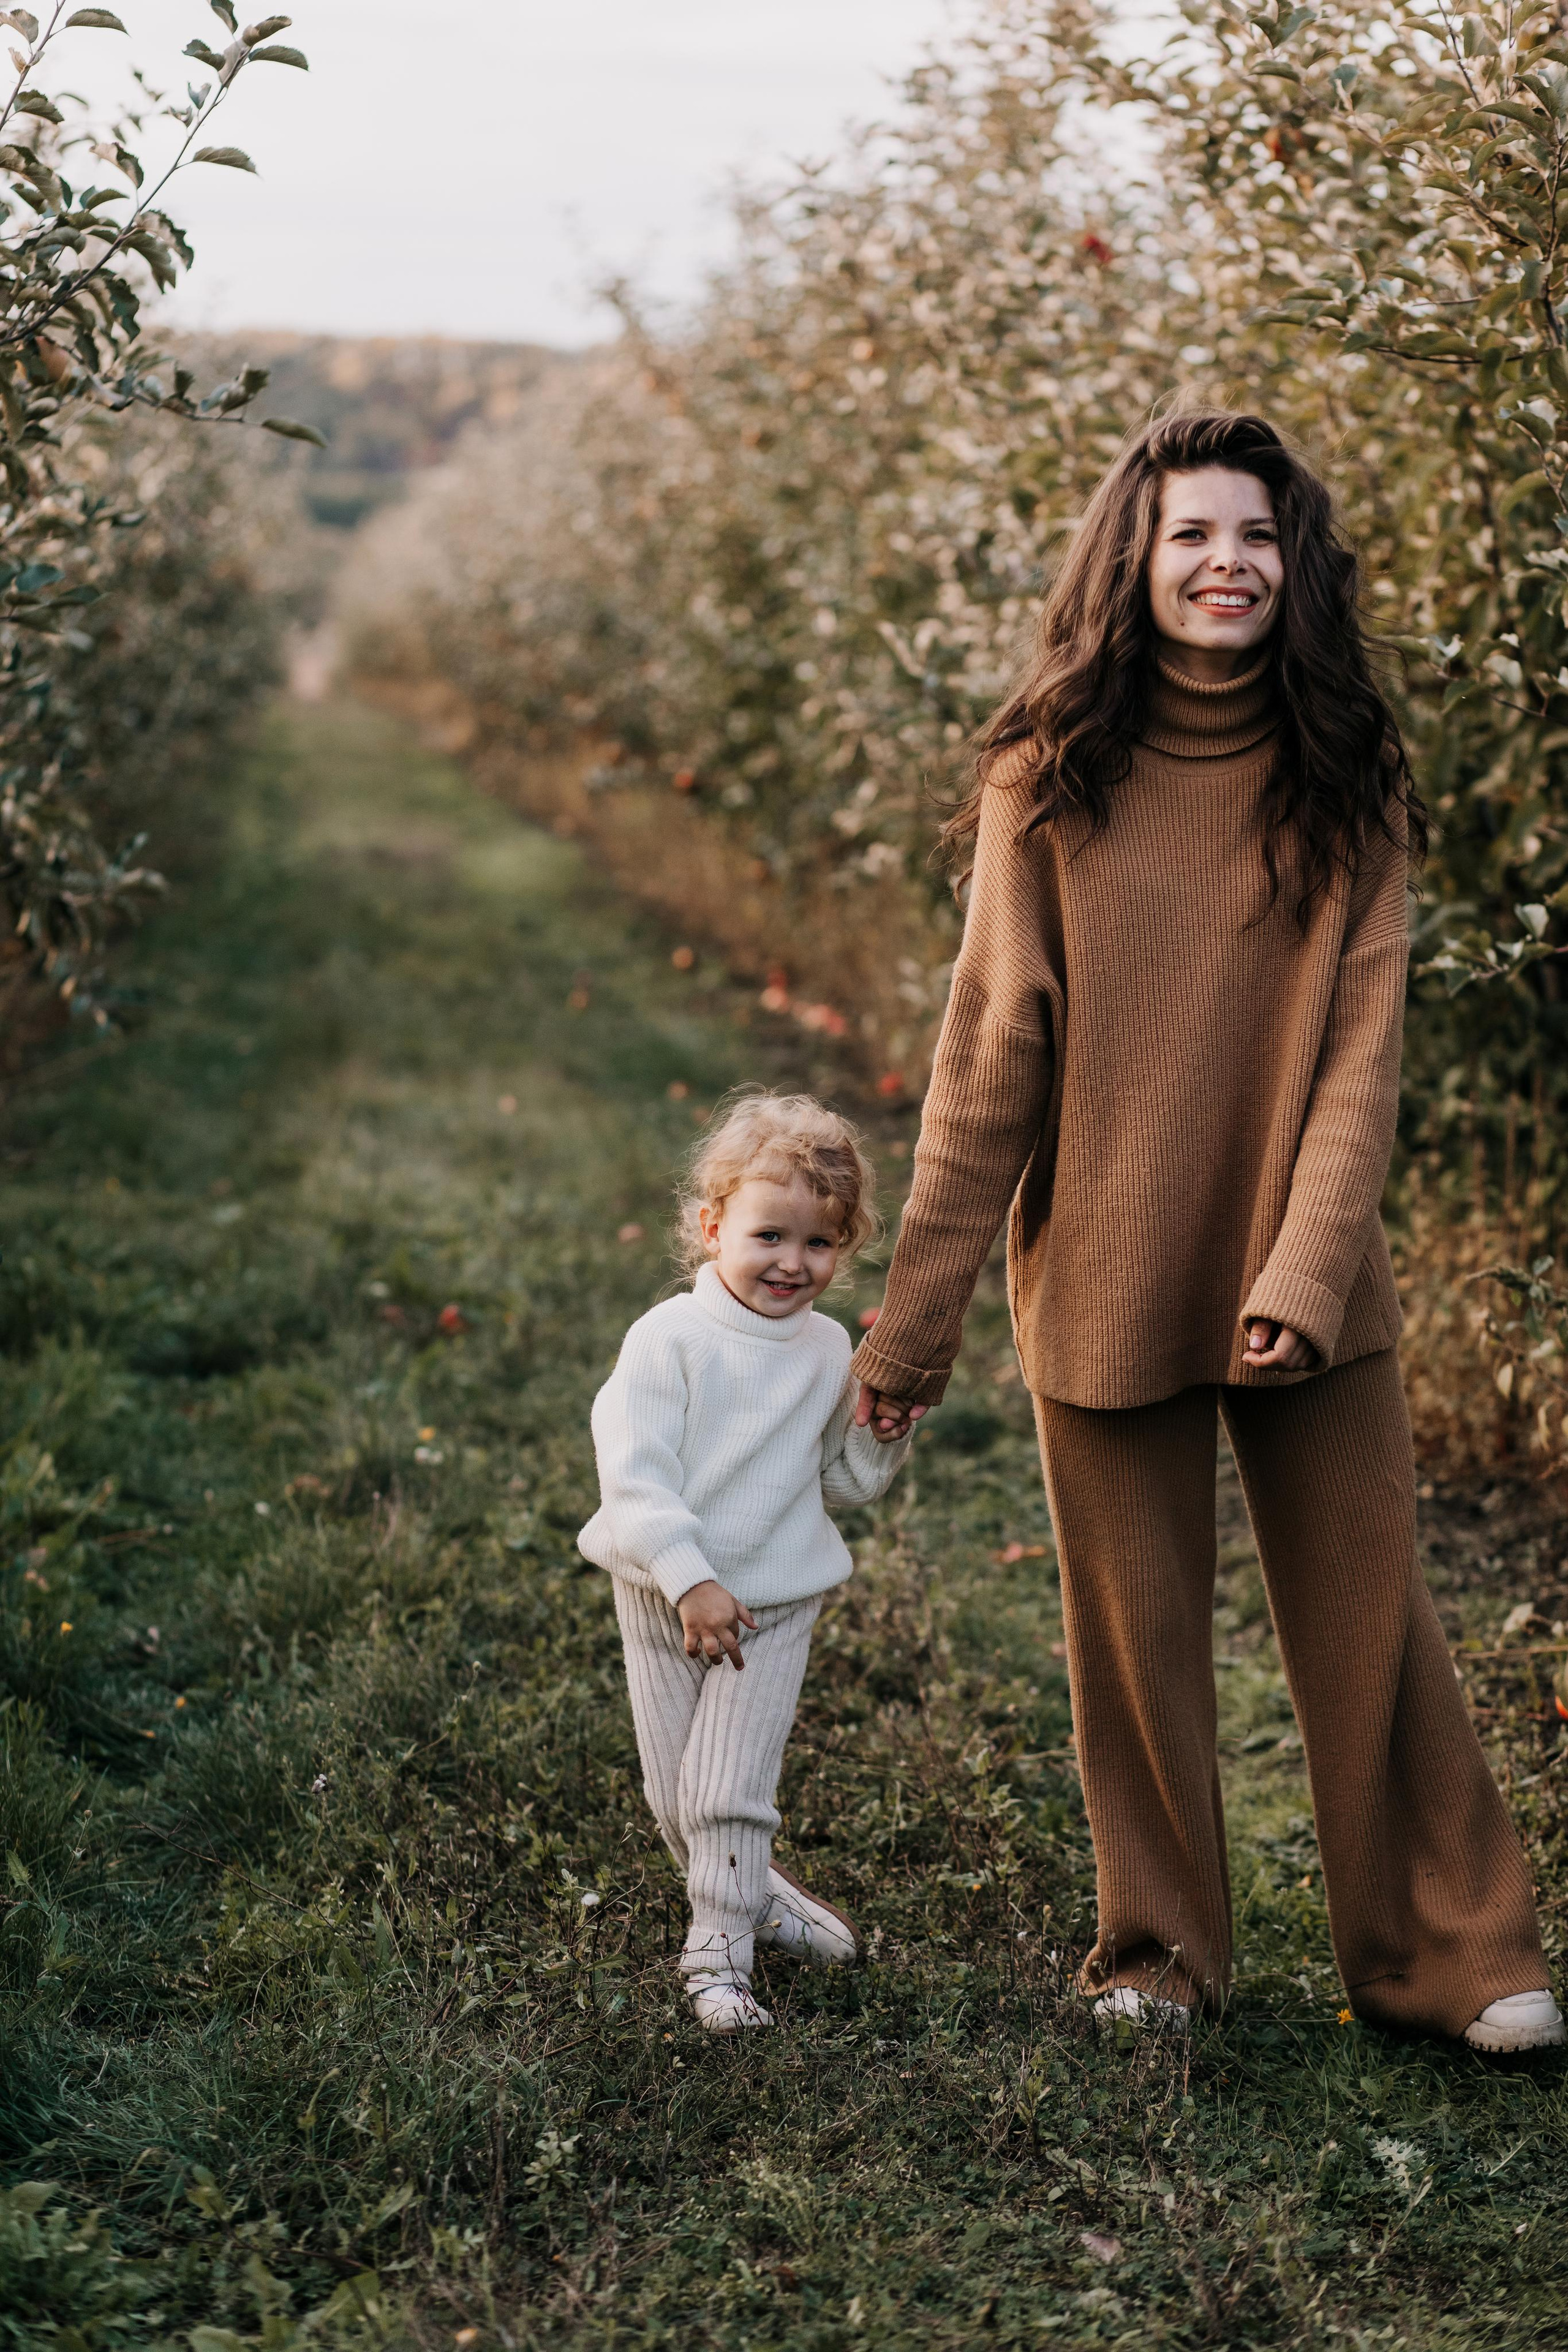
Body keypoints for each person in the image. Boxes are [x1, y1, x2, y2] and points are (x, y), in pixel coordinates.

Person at [851, 409, 1562, 2054]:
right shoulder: (1048, 776)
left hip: (1305, 1264)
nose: (1226, 562)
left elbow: (1362, 1055)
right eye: (1191, 536)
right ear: (1137, 559)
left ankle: (1451, 1962)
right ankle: (1160, 1956)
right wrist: (910, 1326)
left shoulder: (1346, 774)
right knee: (1135, 1631)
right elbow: (988, 1058)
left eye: (1256, 536)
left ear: (1291, 562)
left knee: (1372, 1613)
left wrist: (1305, 1273)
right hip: (1105, 1253)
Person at [581, 1090, 911, 2033]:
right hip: (664, 1590)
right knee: (675, 1794)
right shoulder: (668, 1342)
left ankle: (717, 1964)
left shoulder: (826, 1349)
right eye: (770, 1236)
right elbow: (634, 1477)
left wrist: (881, 1433)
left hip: (772, 1595)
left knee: (728, 1786)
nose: (792, 1263)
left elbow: (840, 1485)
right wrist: (689, 1576)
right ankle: (758, 1896)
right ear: (712, 1223)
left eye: (819, 1245)